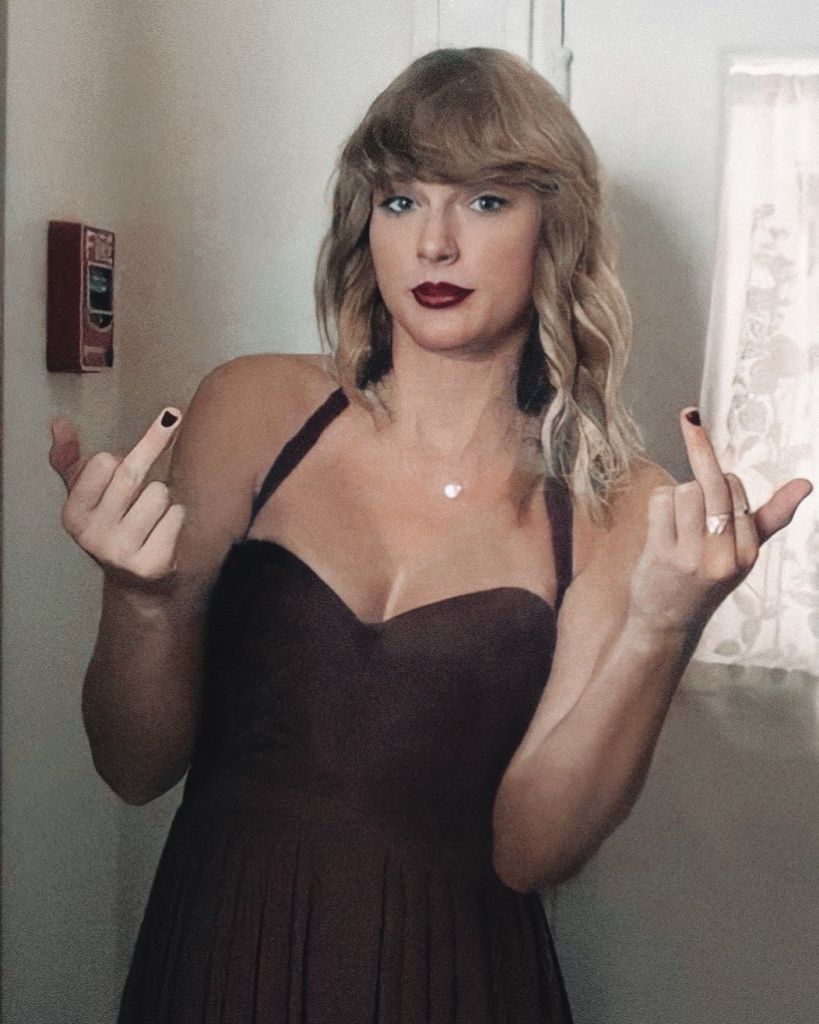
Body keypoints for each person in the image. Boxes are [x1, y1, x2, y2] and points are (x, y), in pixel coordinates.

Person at [49, 47, 811, 1024]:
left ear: (555, 229)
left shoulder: (619, 506)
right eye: (401, 199)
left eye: (485, 201)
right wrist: (139, 601)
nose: (434, 244)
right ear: (365, 223)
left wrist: (662, 631)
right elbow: (132, 764)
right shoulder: (252, 408)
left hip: (455, 982)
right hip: (219, 961)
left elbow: (531, 851)